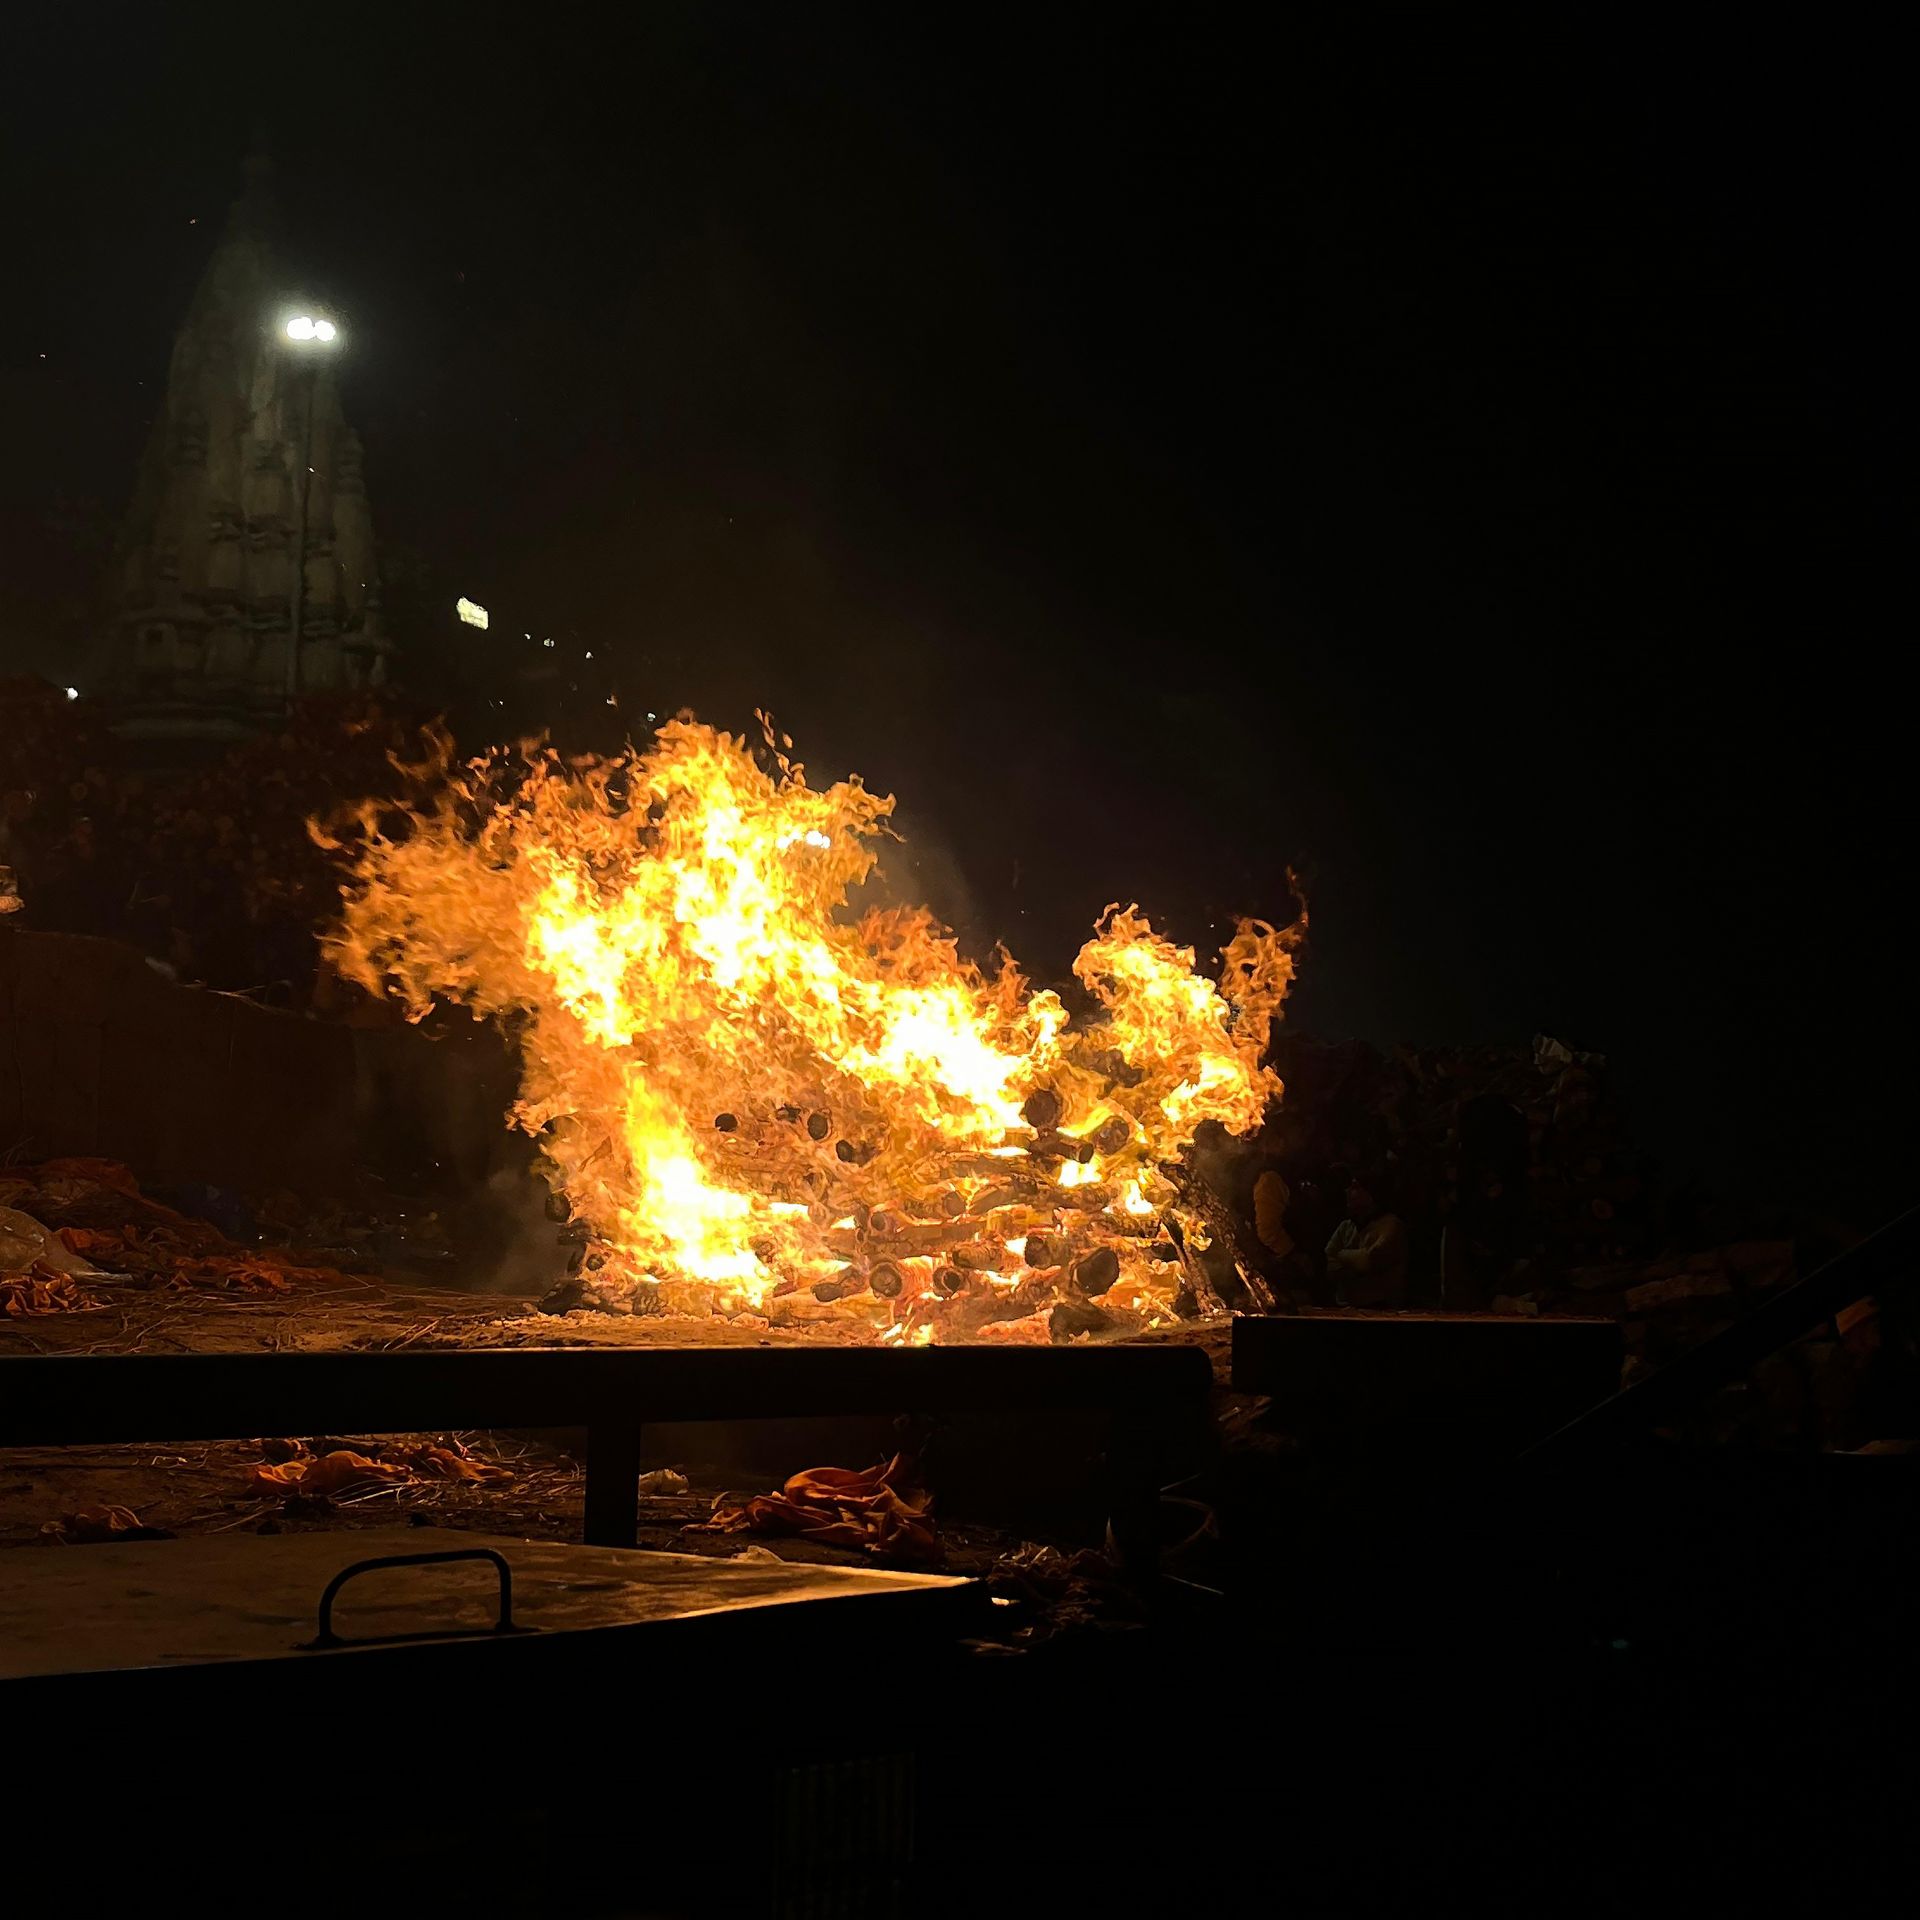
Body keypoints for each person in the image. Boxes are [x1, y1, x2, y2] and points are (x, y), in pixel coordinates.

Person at [1325, 1175, 1408, 1308]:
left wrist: (1341, 1255)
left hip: (1381, 1308)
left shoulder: (1391, 1225)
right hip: (1346, 1306)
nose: (1348, 1191)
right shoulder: (1347, 1226)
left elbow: (1369, 1259)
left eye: (1355, 1187)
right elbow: (1328, 1260)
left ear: (1371, 1194)